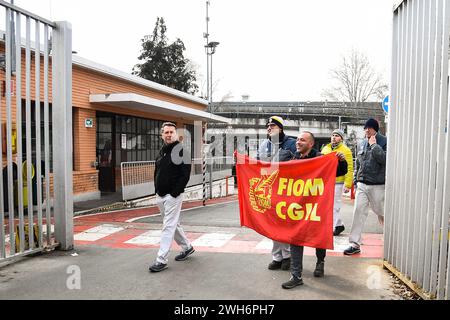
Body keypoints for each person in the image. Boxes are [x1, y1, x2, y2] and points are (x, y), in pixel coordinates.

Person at [282, 131, 348, 289]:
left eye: (302, 140)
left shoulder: (320, 158)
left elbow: (339, 171)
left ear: (310, 144)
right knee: (295, 236)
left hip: (317, 205)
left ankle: (320, 261)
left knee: (319, 234)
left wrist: (342, 161)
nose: (298, 142)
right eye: (297, 139)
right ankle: (296, 275)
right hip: (298, 206)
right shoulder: (294, 158)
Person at [149, 122, 194, 272]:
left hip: (173, 196)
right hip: (160, 195)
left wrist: (176, 192)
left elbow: (185, 175)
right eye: (166, 132)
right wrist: (156, 189)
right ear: (162, 135)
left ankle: (161, 259)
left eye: (171, 132)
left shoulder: (182, 151)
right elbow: (157, 171)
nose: (168, 135)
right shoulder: (162, 151)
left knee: (168, 226)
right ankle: (187, 247)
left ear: (176, 134)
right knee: (173, 224)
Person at [257, 116, 297, 271]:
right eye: (267, 126)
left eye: (272, 125)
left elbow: (300, 163)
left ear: (280, 128)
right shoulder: (264, 145)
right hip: (270, 190)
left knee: (285, 224)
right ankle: (277, 257)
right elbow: (258, 166)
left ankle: (287, 256)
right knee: (272, 225)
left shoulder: (292, 144)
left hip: (287, 190)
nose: (269, 128)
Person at [344, 118, 387, 256]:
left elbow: (384, 160)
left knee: (382, 212)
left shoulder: (384, 141)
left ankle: (389, 238)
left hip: (378, 185)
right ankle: (354, 243)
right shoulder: (361, 143)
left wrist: (374, 146)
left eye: (369, 127)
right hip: (363, 184)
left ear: (375, 129)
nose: (366, 130)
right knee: (358, 211)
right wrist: (357, 181)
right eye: (365, 128)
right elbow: (359, 164)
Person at [321, 129, 354, 236]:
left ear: (341, 138)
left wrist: (348, 184)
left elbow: (349, 168)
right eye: (333, 135)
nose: (334, 137)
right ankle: (339, 225)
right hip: (326, 181)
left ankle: (331, 228)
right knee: (327, 205)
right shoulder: (325, 148)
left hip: (338, 182)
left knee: (335, 206)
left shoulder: (346, 150)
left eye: (337, 135)